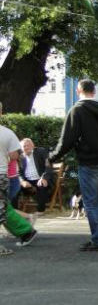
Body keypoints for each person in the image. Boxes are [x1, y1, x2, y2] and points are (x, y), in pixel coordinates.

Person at [51, 80, 98, 251]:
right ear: (94, 91)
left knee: (90, 201)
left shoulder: (77, 110)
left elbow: (67, 139)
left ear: (78, 90)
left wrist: (52, 157)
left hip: (88, 160)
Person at [1, 107, 38, 254]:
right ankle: (26, 231)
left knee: (3, 208)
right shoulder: (7, 133)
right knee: (4, 207)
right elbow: (15, 155)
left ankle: (26, 231)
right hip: (2, 174)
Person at [19, 138, 54, 215]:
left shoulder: (41, 151)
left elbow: (48, 166)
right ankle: (15, 211)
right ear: (21, 148)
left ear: (33, 146)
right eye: (24, 146)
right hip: (28, 182)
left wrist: (44, 178)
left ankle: (40, 210)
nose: (26, 148)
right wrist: (22, 181)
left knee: (41, 185)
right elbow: (20, 173)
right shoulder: (21, 157)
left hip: (40, 179)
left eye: (28, 145)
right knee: (14, 187)